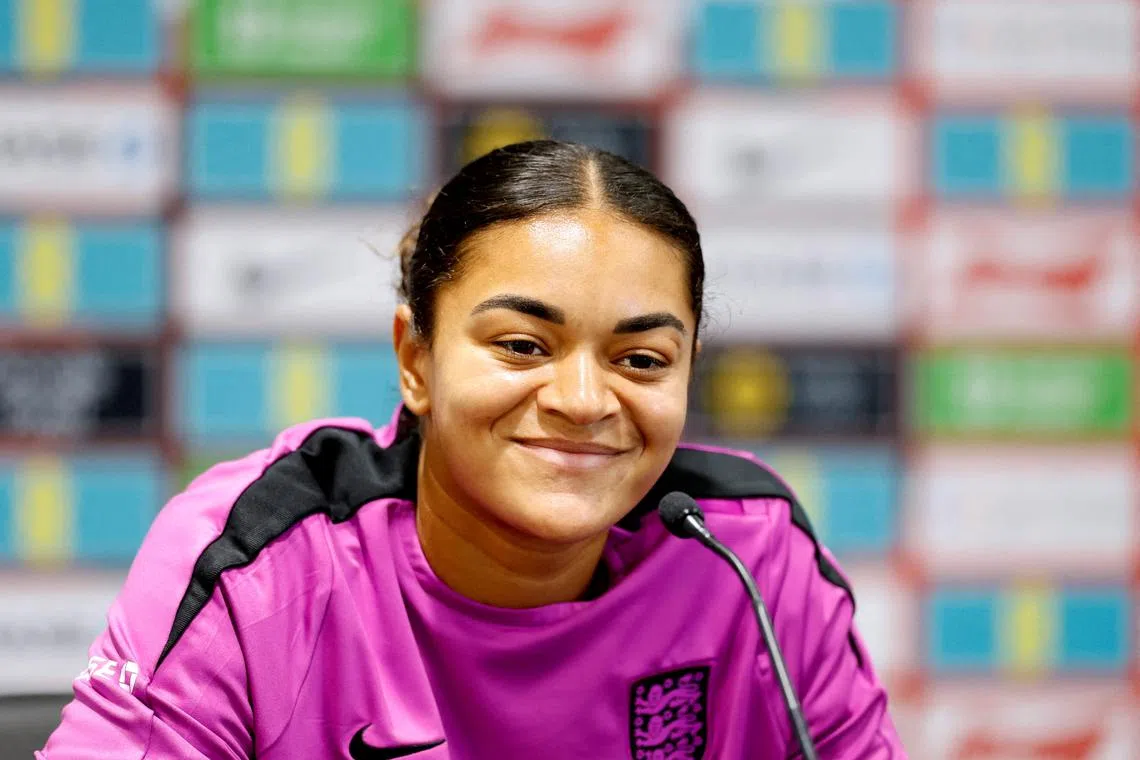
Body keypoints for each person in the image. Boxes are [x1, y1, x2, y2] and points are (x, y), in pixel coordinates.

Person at [40, 140, 905, 758]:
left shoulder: (752, 555)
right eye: (523, 345)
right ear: (415, 359)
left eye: (641, 360)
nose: (581, 401)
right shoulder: (256, 563)